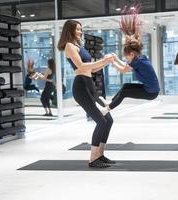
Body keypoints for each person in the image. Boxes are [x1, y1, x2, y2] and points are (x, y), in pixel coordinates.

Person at [58, 19, 115, 168]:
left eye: (80, 29)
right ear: (69, 30)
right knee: (101, 121)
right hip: (81, 87)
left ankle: (100, 155)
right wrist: (103, 60)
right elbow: (82, 66)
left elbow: (91, 69)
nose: (80, 31)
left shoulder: (78, 46)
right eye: (77, 29)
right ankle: (93, 159)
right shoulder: (69, 46)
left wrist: (106, 62)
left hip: (89, 85)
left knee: (108, 119)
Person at [100, 6, 160, 111]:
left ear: (131, 54)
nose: (126, 58)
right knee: (126, 86)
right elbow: (126, 66)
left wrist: (112, 61)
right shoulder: (139, 58)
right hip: (150, 88)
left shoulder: (138, 61)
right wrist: (116, 59)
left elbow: (123, 70)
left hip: (151, 93)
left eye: (126, 56)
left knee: (125, 93)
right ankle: (111, 101)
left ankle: (107, 109)